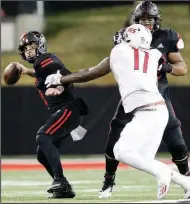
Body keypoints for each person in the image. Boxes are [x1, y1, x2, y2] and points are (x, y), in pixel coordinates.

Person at [45, 24, 190, 200]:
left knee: (120, 151)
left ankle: (162, 173)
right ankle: (187, 184)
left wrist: (61, 79)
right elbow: (177, 67)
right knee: (144, 160)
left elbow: (90, 73)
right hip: (159, 110)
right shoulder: (155, 55)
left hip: (146, 112)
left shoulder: (119, 52)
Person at [14, 31, 89, 198]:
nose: (28, 51)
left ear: (39, 46)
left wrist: (60, 86)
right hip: (66, 110)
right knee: (41, 153)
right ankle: (64, 188)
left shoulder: (44, 60)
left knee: (42, 136)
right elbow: (46, 73)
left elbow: (62, 72)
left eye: (31, 47)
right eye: (25, 49)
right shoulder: (40, 65)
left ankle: (60, 181)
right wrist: (27, 71)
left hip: (68, 108)